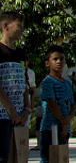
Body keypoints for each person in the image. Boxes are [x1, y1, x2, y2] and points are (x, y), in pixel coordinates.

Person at [0, 11, 30, 163]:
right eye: (19, 26)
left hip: (19, 116)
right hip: (3, 115)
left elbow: (24, 82)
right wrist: (10, 108)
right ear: (6, 26)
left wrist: (27, 108)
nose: (22, 30)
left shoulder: (20, 54)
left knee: (17, 156)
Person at [40, 45, 75, 163]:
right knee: (49, 157)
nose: (59, 62)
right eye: (55, 59)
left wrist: (67, 121)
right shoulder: (48, 81)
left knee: (61, 157)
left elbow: (72, 105)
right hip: (50, 127)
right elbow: (51, 102)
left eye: (61, 59)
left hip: (64, 129)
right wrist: (62, 120)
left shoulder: (67, 84)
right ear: (47, 63)